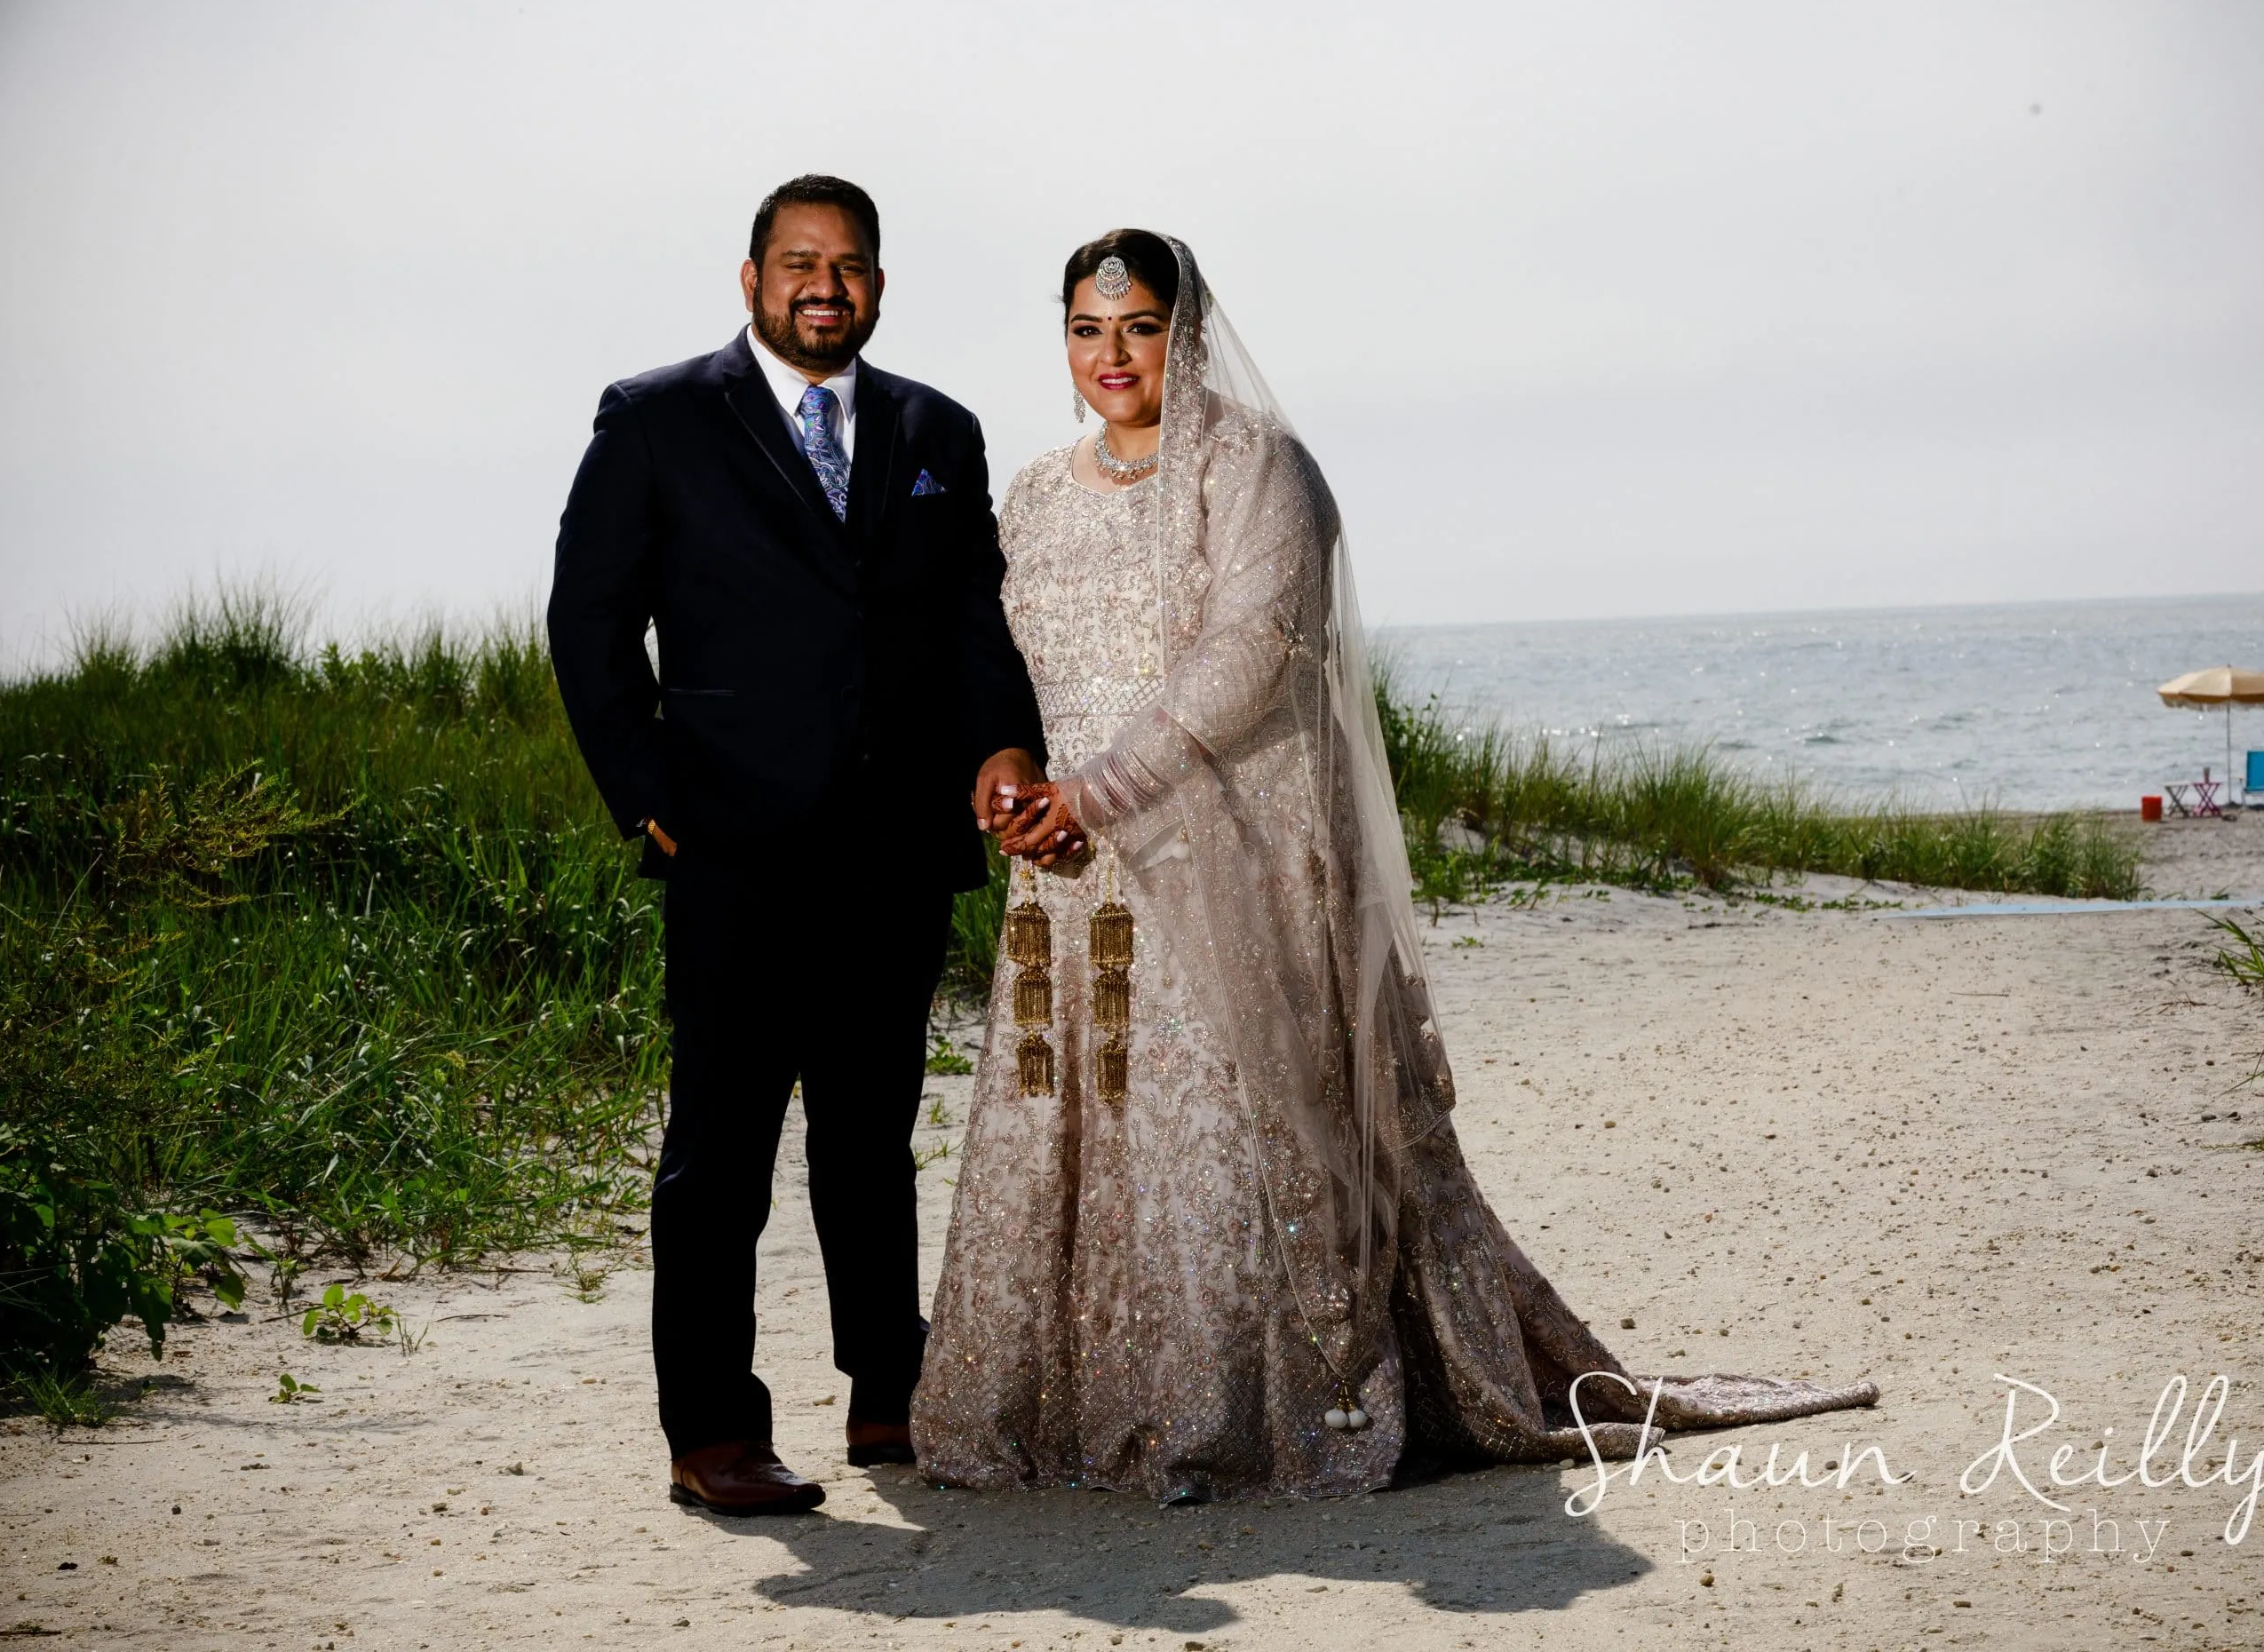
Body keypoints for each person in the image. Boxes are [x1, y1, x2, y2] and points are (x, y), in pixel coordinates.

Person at [909, 232, 1876, 1502]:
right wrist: (1010, 773)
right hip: (1070, 863)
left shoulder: (1258, 468)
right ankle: (1081, 1410)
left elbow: (1250, 656)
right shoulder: (1036, 491)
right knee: (1084, 1118)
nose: (1114, 356)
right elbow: (996, 653)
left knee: (1217, 1128)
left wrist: (1095, 789)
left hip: (1220, 848)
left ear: (1185, 335)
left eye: (1140, 327)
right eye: (1088, 331)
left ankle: (1220, 1418)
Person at [548, 174, 1045, 1515]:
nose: (826, 286)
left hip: (896, 844)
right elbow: (589, 623)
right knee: (720, 1150)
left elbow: (976, 620)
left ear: (878, 283)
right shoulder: (655, 419)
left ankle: (890, 1389)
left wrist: (1002, 746)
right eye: (799, 263)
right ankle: (713, 1431)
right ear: (753, 277)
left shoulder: (938, 429)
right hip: (731, 843)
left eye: (850, 265)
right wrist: (647, 795)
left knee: (872, 1138)